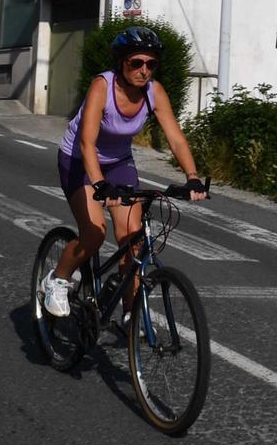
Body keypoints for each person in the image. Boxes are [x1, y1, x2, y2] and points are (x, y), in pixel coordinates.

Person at [40, 27, 206, 318]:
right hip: (79, 160)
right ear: (121, 62)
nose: (144, 71)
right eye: (137, 63)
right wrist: (101, 186)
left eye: (151, 64)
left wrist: (192, 176)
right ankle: (58, 280)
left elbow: (175, 137)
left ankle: (131, 313)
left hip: (118, 162)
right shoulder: (102, 87)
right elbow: (87, 142)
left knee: (133, 239)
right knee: (94, 234)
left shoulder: (154, 92)